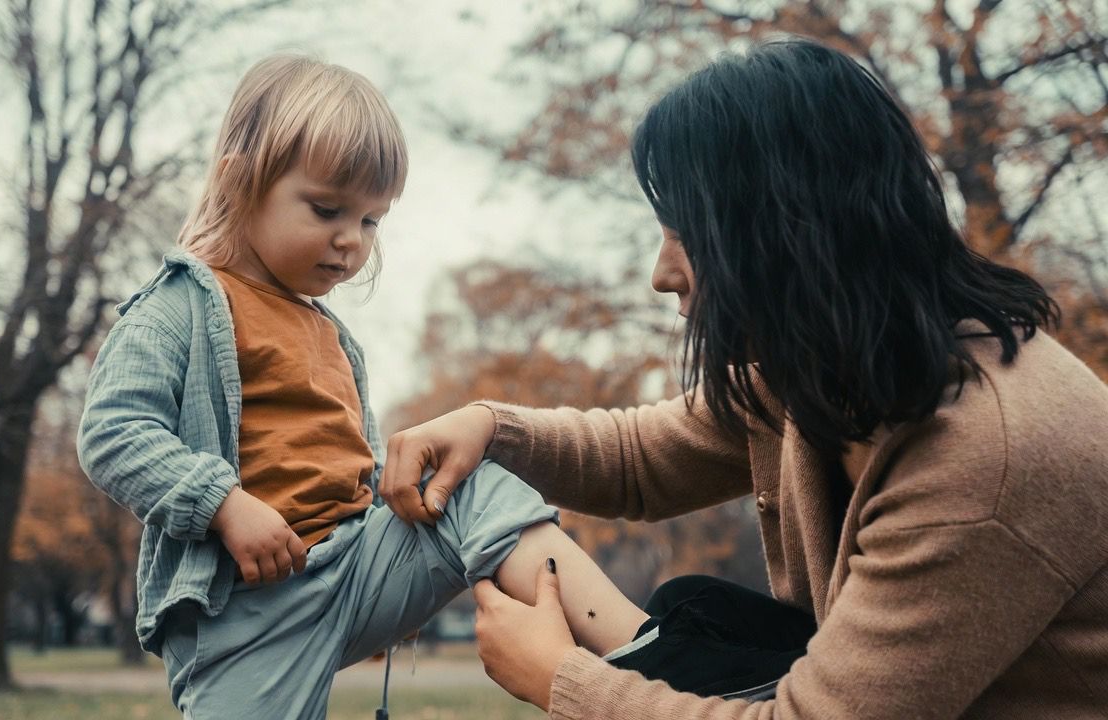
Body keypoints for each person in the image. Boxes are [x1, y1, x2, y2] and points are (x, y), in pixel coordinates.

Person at [381, 38, 1108, 719]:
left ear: (782, 231)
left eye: (684, 236)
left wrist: (563, 681)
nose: (661, 275)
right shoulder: (837, 363)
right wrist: (491, 425)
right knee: (696, 608)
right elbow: (638, 461)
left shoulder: (984, 457)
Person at [77, 54, 657, 720]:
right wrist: (224, 506)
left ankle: (648, 654)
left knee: (467, 480)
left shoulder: (332, 336)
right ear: (241, 184)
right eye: (327, 209)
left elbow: (345, 462)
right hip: (244, 614)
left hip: (353, 571)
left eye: (371, 219)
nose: (351, 241)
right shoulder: (181, 305)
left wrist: (389, 499)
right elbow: (112, 432)